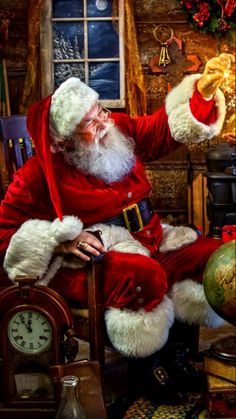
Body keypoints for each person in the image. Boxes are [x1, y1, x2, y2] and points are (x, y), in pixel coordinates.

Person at [0, 53, 234, 400]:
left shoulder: (117, 131)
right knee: (143, 275)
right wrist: (60, 240)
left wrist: (200, 91)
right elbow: (5, 232)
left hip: (153, 237)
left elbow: (160, 131)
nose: (106, 124)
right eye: (93, 124)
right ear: (65, 142)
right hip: (99, 257)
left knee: (214, 257)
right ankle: (148, 367)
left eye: (102, 113)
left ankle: (176, 356)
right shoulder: (35, 175)